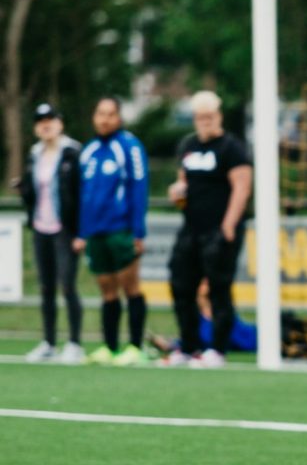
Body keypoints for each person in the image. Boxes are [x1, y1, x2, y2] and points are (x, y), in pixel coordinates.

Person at [163, 91, 253, 369]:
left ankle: (217, 349)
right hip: (191, 227)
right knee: (181, 285)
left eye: (209, 116)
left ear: (219, 116)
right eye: (200, 117)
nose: (205, 122)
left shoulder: (231, 148)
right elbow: (182, 186)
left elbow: (242, 186)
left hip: (219, 229)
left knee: (218, 290)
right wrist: (176, 194)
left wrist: (228, 225)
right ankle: (188, 347)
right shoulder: (188, 146)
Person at [75, 97, 149, 366]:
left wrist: (138, 231)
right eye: (100, 113)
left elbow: (139, 188)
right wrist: (82, 232)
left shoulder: (129, 146)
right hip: (95, 232)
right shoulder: (90, 150)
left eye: (110, 114)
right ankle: (109, 346)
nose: (104, 119)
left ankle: (135, 346)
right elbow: (83, 194)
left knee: (130, 287)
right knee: (107, 290)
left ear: (119, 117)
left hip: (122, 229)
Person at [17, 104, 85, 363]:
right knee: (46, 287)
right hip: (41, 226)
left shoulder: (72, 152)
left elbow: (81, 195)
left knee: (67, 285)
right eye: (40, 121)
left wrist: (81, 232)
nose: (46, 125)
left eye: (50, 119)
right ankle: (48, 341)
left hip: (65, 229)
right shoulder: (35, 154)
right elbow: (34, 191)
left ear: (60, 123)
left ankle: (75, 343)